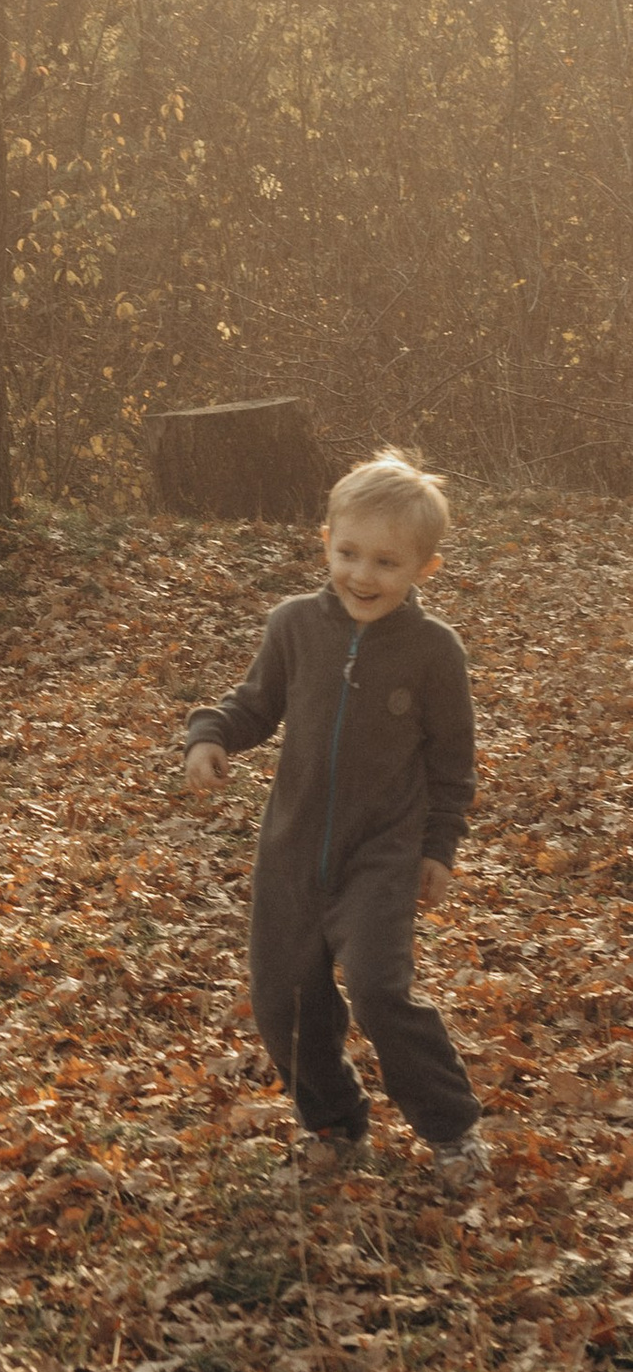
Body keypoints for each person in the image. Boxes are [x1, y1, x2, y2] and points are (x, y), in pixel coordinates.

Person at [181, 447, 486, 1194]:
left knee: (380, 988)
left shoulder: (433, 652)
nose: (362, 575)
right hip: (290, 853)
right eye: (348, 553)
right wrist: (210, 735)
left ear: (424, 568)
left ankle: (452, 1130)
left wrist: (438, 848)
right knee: (283, 998)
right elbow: (254, 703)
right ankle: (332, 1124)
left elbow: (452, 766)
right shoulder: (295, 626)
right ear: (325, 542)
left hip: (381, 856)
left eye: (386, 562)